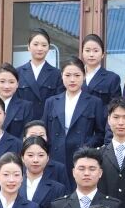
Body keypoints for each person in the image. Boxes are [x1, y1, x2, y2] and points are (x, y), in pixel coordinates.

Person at [43, 56, 105, 187]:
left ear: (84, 76)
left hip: (81, 158)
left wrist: (86, 146)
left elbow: (101, 134)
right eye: (68, 75)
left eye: (77, 75)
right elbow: (45, 131)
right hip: (56, 157)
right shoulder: (51, 102)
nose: (72, 79)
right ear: (62, 76)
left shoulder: (94, 102)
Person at [15, 28, 63, 107]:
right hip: (24, 115)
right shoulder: (18, 72)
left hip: (46, 115)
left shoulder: (57, 74)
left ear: (48, 48)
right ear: (28, 47)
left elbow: (58, 103)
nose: (40, 48)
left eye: (44, 45)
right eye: (35, 44)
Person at [0, 63, 41, 139]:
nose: (7, 86)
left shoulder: (26, 107)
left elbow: (27, 135)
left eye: (11, 82)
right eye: (2, 81)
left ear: (17, 84)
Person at [24, 120, 71, 187]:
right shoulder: (16, 166)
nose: (37, 138)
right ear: (24, 139)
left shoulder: (59, 169)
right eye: (33, 135)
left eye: (41, 135)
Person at [81, 34, 122, 107]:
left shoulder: (112, 78)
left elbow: (115, 107)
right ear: (82, 53)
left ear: (103, 54)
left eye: (96, 51)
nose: (91, 54)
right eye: (87, 50)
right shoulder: (75, 76)